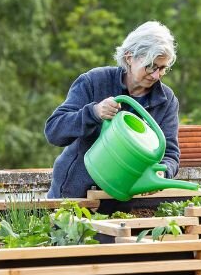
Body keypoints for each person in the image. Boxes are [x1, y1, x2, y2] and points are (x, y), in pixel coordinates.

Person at [45, 20, 181, 199]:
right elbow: (54, 131)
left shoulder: (166, 101)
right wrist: (94, 113)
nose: (156, 75)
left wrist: (163, 172)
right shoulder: (94, 81)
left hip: (127, 197)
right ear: (129, 57)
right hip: (76, 196)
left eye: (162, 68)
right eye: (151, 66)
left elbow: (170, 153)